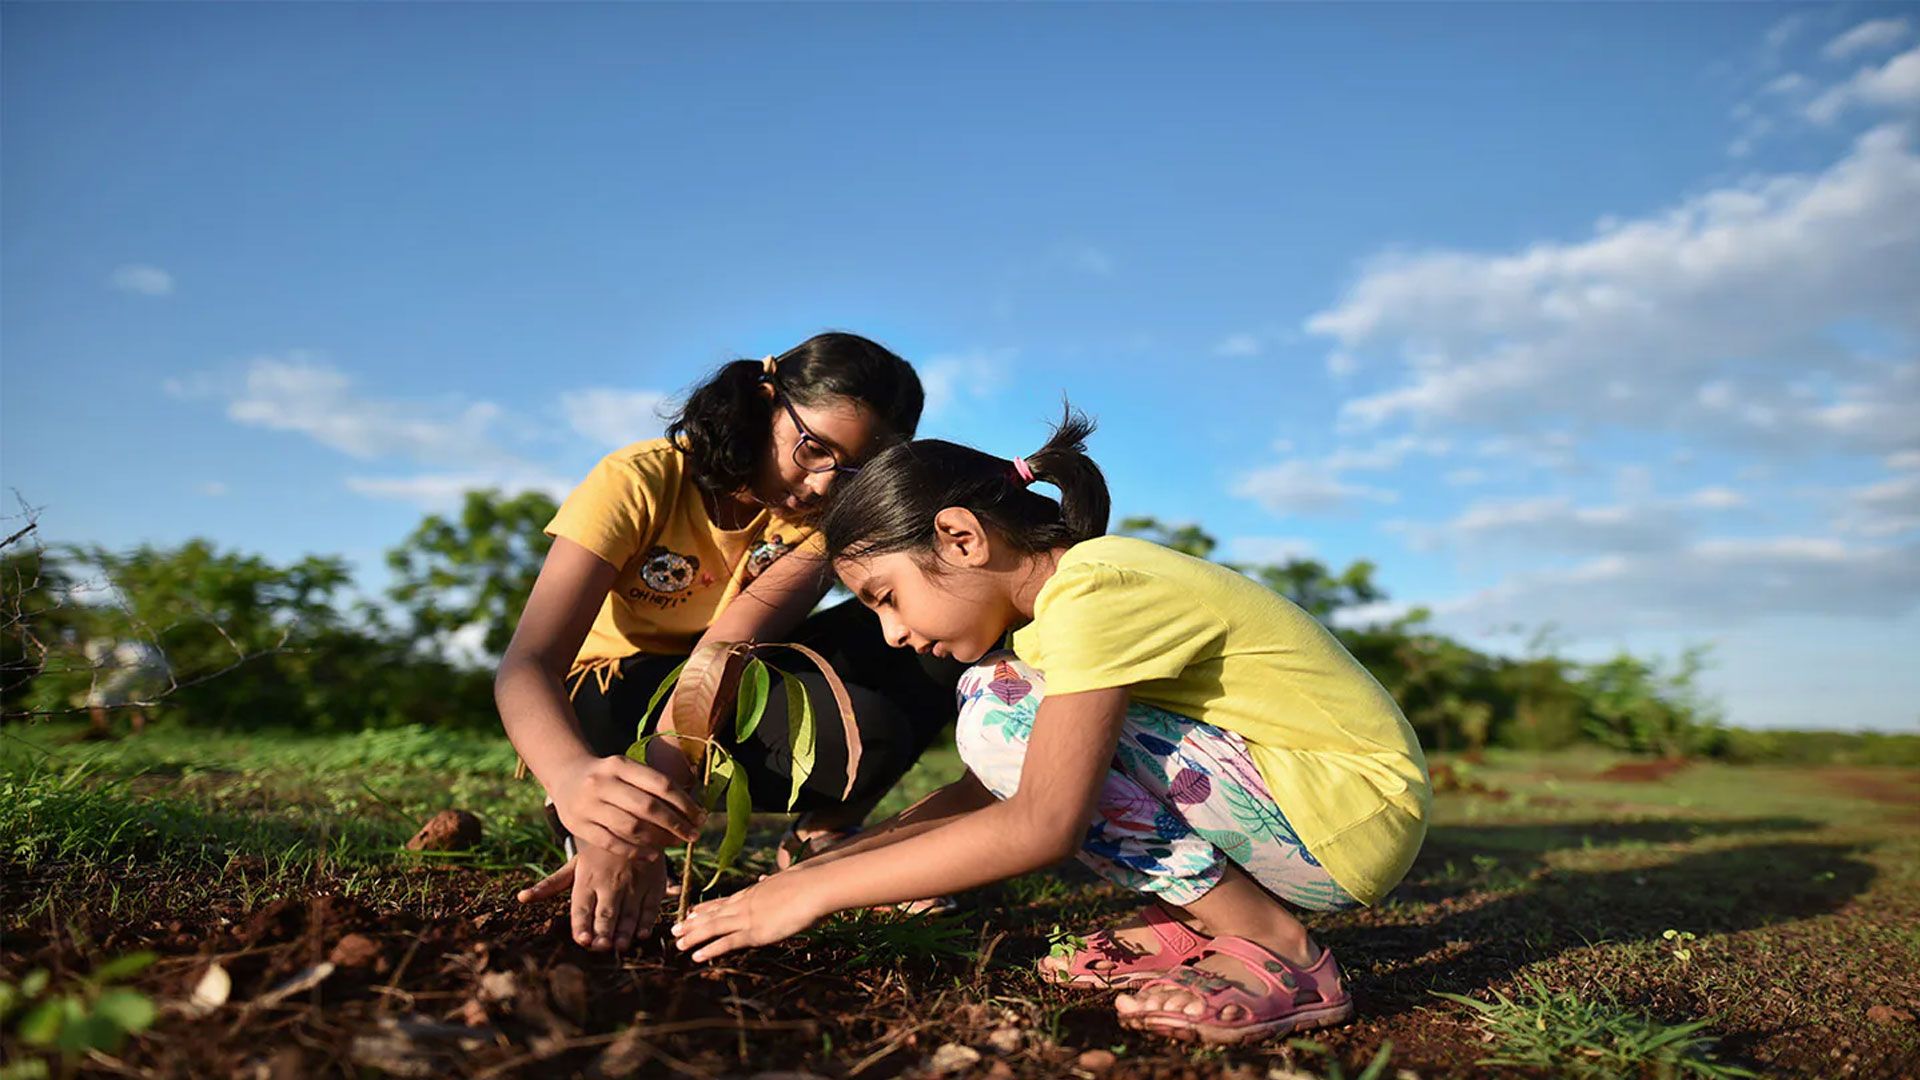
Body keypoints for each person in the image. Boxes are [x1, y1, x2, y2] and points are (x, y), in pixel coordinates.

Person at [668, 409, 1431, 1045]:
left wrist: (814, 895)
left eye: (885, 597)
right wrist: (823, 866)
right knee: (1004, 709)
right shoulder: (1055, 621)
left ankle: (1276, 946)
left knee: (997, 708)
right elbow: (983, 796)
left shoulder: (1094, 591)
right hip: (1312, 812)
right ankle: (1197, 922)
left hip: (1346, 816)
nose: (893, 634)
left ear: (961, 537)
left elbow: (1043, 822)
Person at [498, 332, 962, 953]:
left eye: (851, 474)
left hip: (728, 684)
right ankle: (593, 811)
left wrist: (642, 829)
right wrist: (585, 791)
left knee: (937, 616)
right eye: (814, 449)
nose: (822, 486)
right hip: (613, 702)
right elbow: (527, 664)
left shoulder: (825, 522)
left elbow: (731, 643)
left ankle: (823, 837)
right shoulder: (641, 480)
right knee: (606, 726)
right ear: (766, 401)